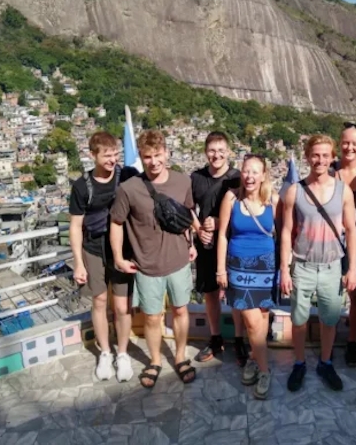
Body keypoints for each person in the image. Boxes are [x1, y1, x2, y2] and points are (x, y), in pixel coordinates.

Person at [110, 130, 198, 388]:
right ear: (141, 157)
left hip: (179, 260)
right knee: (151, 317)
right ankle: (156, 360)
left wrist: (192, 243)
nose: (154, 161)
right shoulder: (129, 189)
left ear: (166, 153)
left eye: (158, 155)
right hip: (146, 265)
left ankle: (181, 356)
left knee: (181, 310)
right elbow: (116, 222)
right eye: (147, 157)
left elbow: (187, 213)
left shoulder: (183, 181)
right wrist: (118, 257)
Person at [280, 135, 356, 392]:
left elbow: (351, 229)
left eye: (325, 155)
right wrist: (284, 270)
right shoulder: (295, 191)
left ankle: (325, 361)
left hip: (332, 266)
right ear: (307, 156)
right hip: (302, 264)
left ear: (332, 157)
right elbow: (286, 231)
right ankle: (300, 362)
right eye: (315, 155)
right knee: (299, 320)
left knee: (329, 320)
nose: (320, 160)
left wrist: (353, 268)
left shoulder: (343, 190)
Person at [69, 131, 139, 383]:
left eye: (115, 154)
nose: (112, 159)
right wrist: (78, 262)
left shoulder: (127, 175)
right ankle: (105, 353)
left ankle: (122, 353)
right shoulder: (81, 186)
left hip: (121, 248)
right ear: (93, 155)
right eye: (106, 155)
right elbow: (75, 226)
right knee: (99, 301)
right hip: (94, 248)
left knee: (122, 305)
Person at [216, 154, 279, 399]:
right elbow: (223, 234)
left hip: (266, 266)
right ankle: (265, 370)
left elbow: (284, 232)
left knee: (262, 318)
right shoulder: (231, 198)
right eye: (246, 171)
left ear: (263, 175)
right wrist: (220, 269)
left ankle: (254, 358)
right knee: (252, 322)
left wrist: (285, 266)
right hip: (238, 266)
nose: (250, 176)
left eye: (255, 172)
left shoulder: (273, 199)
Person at [191, 132, 246, 365]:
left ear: (229, 152)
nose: (216, 155)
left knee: (234, 293)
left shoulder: (236, 178)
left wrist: (216, 220)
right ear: (206, 152)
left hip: (230, 241)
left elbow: (244, 209)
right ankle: (215, 338)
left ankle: (240, 339)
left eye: (221, 150)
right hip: (205, 243)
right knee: (210, 293)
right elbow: (188, 207)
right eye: (212, 150)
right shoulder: (196, 177)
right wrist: (197, 228)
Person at [330, 122, 356, 367]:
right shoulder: (329, 171)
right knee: (331, 295)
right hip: (332, 239)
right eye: (345, 142)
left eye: (355, 143)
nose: (349, 147)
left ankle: (352, 341)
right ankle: (330, 339)